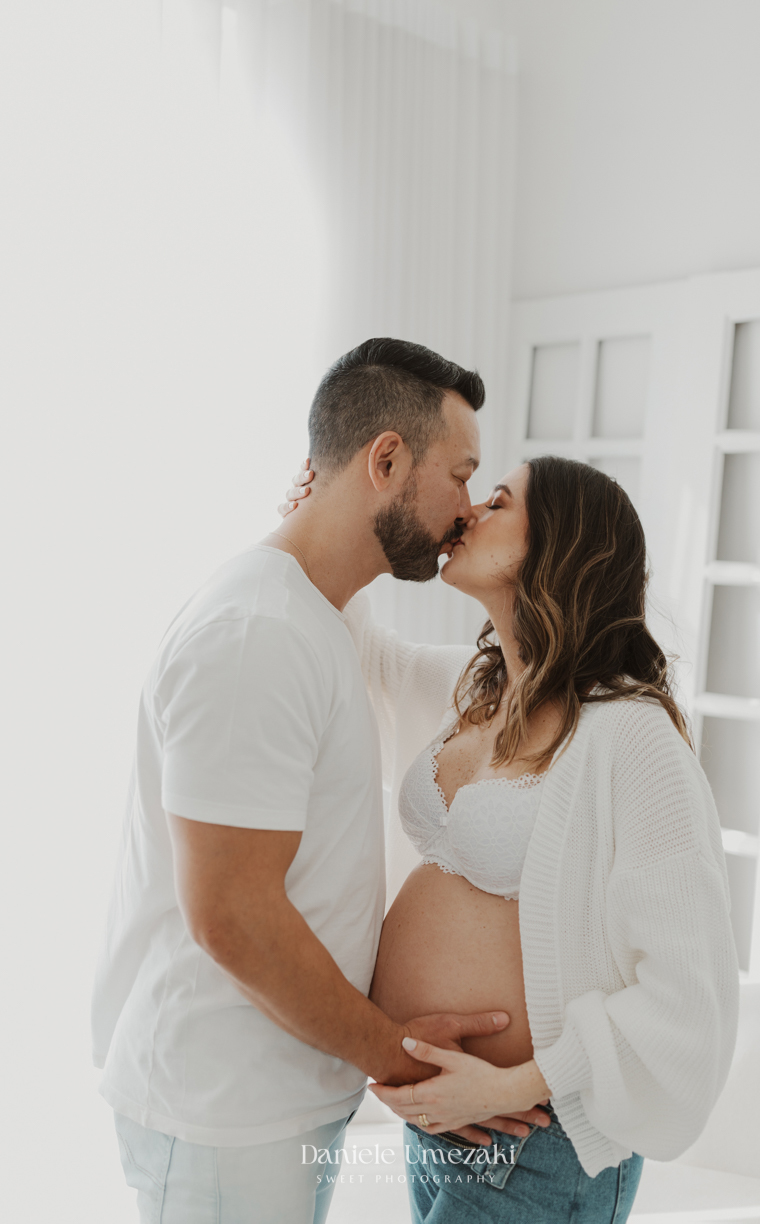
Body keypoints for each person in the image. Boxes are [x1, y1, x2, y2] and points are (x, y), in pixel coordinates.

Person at [91, 338, 551, 1224]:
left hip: (271, 1100)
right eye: (461, 476)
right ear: (386, 459)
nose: (465, 508)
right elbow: (234, 916)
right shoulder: (257, 634)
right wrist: (402, 1056)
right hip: (226, 1109)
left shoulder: (319, 617)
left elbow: (474, 686)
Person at [283, 452, 740, 1223]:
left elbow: (688, 996)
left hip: (538, 1141)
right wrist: (335, 507)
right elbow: (362, 654)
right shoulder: (477, 692)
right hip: (442, 1129)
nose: (466, 514)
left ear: (560, 547)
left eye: (496, 501)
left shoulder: (630, 737)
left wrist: (507, 1085)